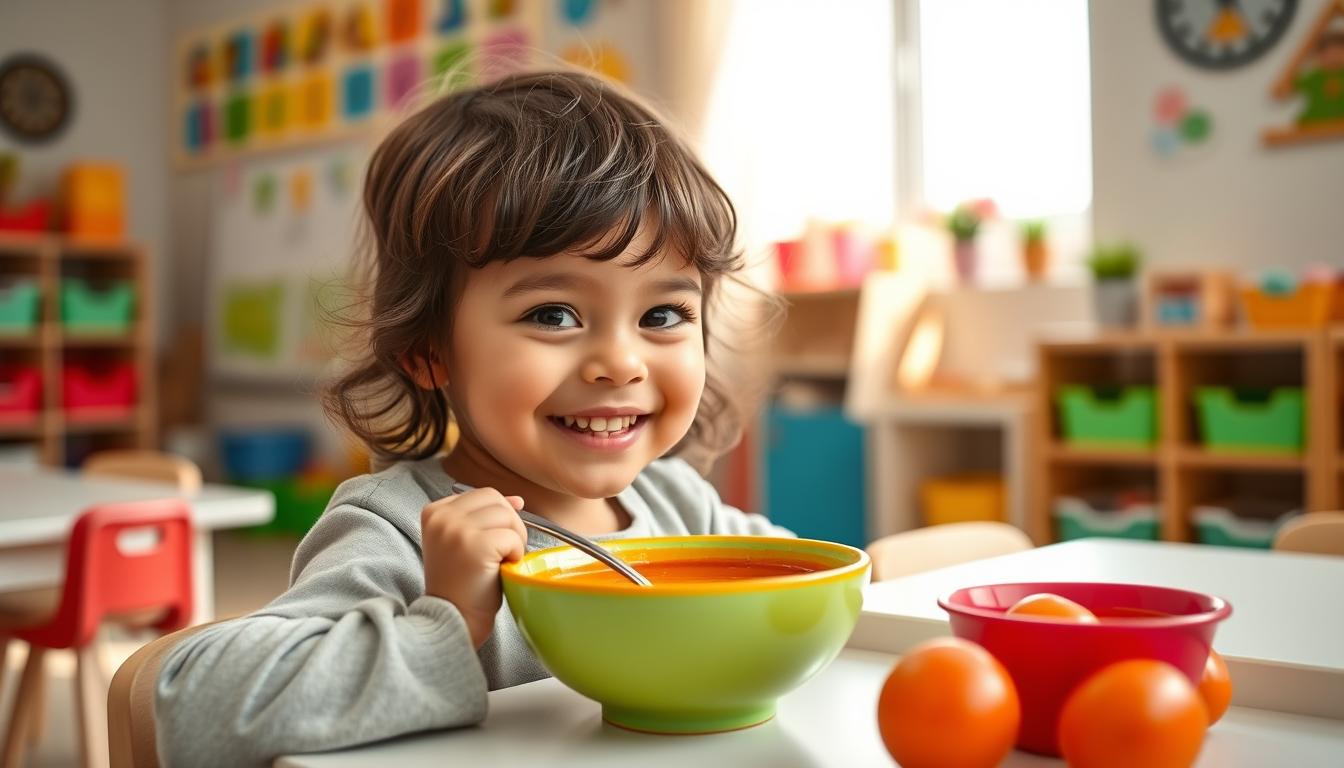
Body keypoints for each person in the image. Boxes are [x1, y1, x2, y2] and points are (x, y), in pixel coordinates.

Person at [154, 69, 790, 767]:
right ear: (429, 351)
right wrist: (448, 621)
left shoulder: (680, 507)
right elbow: (197, 703)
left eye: (663, 315)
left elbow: (802, 594)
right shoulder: (399, 529)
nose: (621, 362)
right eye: (554, 314)